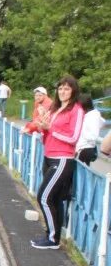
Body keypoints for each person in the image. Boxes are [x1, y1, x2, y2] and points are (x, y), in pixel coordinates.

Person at [30, 76, 84, 250]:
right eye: (60, 88)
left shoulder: (76, 110)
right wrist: (42, 127)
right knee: (54, 199)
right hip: (49, 155)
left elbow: (73, 137)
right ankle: (52, 235)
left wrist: (50, 129)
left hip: (63, 158)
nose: (62, 92)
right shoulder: (55, 108)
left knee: (44, 197)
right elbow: (47, 133)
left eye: (67, 89)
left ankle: (53, 239)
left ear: (73, 91)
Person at [75, 94, 103, 166]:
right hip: (82, 148)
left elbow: (93, 136)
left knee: (82, 174)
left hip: (85, 148)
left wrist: (81, 131)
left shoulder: (92, 117)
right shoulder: (88, 115)